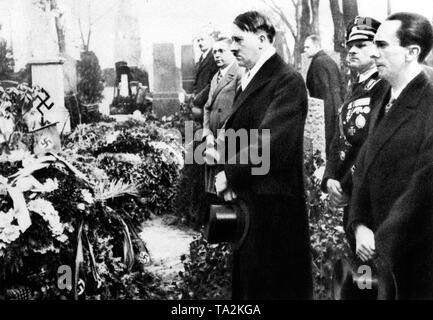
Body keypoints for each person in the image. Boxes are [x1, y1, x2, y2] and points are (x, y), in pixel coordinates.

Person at [215, 11, 312, 300]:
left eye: (237, 39)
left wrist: (229, 174)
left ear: (261, 39)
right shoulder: (251, 78)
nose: (232, 47)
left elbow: (270, 142)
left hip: (274, 212)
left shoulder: (287, 80)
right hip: (252, 203)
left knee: (271, 287)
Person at [347, 12, 433, 299]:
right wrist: (358, 223)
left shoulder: (429, 102)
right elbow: (365, 165)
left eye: (382, 45)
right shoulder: (382, 94)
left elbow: (421, 190)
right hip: (371, 247)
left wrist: (378, 245)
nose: (374, 53)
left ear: (412, 52)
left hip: (411, 257)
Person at [321, 16, 388, 244]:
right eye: (350, 45)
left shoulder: (383, 86)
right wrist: (330, 177)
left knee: (373, 270)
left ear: (378, 48)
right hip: (350, 193)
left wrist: (346, 185)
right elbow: (340, 138)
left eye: (361, 45)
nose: (352, 51)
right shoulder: (355, 86)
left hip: (369, 194)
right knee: (358, 264)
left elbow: (373, 142)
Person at [202, 37, 243, 196]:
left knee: (225, 187)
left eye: (221, 51)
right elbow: (207, 107)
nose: (217, 55)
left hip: (228, 138)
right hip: (212, 137)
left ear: (231, 52)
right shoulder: (215, 77)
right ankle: (213, 218)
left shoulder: (239, 74)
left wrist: (218, 141)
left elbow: (237, 111)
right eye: (214, 52)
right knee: (211, 186)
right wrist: (207, 134)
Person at [304, 35, 346, 157]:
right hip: (336, 105)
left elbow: (321, 90)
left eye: (308, 47)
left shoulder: (318, 62)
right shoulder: (329, 60)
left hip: (325, 109)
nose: (305, 49)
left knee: (325, 146)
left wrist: (319, 113)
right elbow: (342, 83)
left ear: (317, 46)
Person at [191, 30, 219, 122]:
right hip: (200, 101)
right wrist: (194, 94)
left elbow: (213, 81)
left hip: (208, 100)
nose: (200, 43)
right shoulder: (201, 58)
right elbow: (197, 80)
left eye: (202, 40)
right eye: (198, 40)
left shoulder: (214, 57)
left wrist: (199, 97)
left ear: (210, 40)